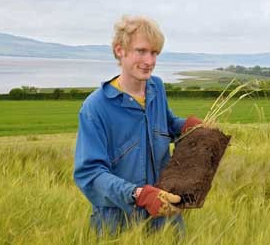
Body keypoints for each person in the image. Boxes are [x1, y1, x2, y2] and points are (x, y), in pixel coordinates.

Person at [73, 15, 202, 236]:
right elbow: (91, 174)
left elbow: (166, 124)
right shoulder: (95, 108)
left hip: (166, 214)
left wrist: (185, 127)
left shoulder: (156, 87)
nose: (149, 61)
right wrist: (137, 194)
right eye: (141, 51)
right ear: (119, 50)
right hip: (118, 222)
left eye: (154, 53)